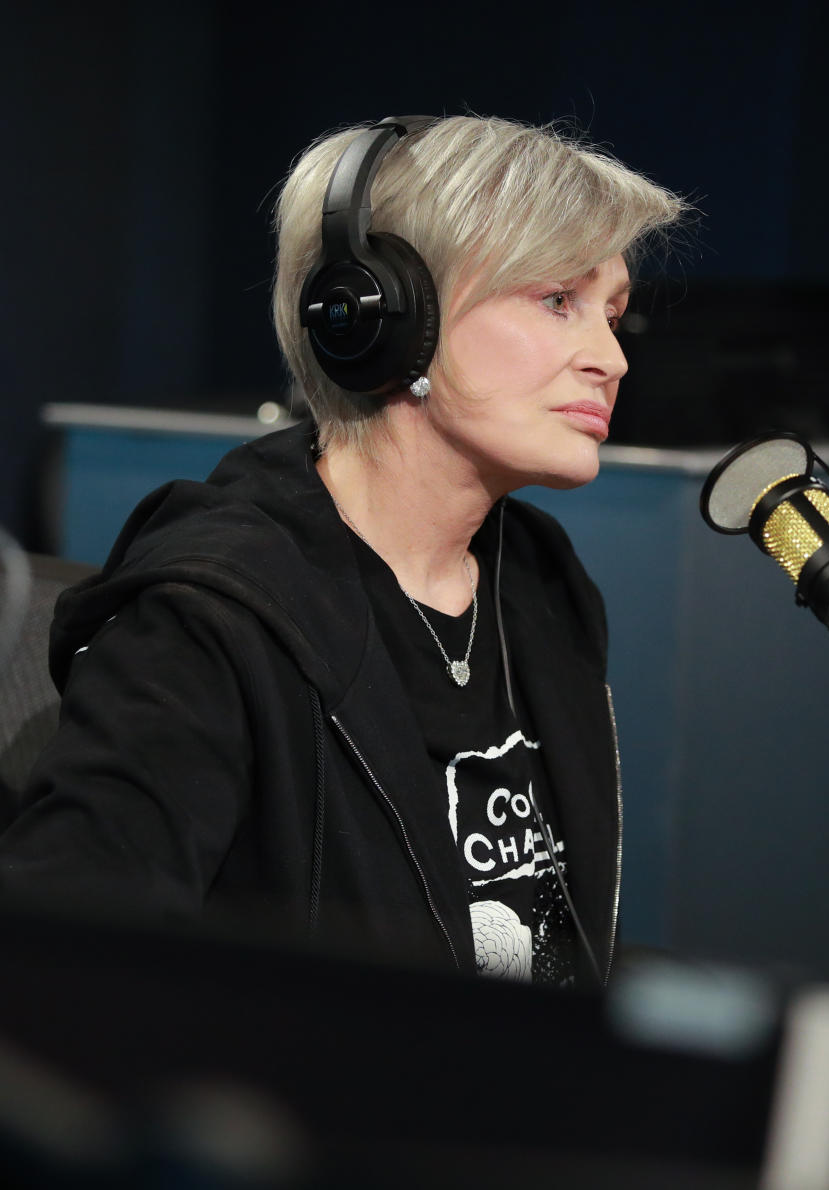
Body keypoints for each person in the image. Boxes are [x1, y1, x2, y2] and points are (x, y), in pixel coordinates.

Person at [0, 115, 683, 987]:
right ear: (384, 314)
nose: (611, 358)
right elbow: (62, 971)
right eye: (560, 301)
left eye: (614, 314)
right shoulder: (206, 620)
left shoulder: (541, 584)